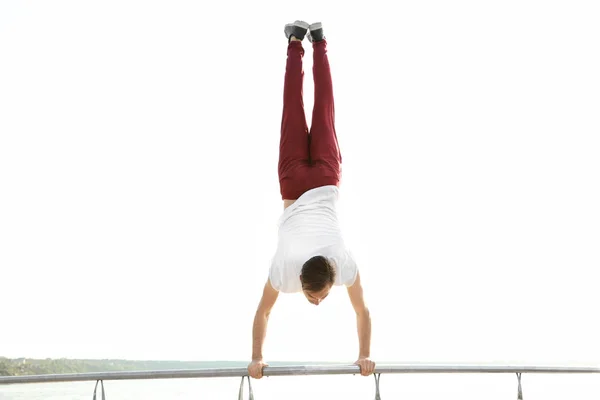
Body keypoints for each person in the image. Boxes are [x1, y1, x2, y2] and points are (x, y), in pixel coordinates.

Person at [247, 21, 376, 380]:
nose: (317, 300)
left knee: (320, 108)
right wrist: (363, 355)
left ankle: (315, 41)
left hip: (318, 178)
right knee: (304, 108)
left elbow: (361, 311)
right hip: (299, 182)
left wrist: (258, 358)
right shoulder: (289, 269)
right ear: (304, 278)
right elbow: (362, 311)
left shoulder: (340, 266)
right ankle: (299, 41)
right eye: (316, 295)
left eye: (315, 296)